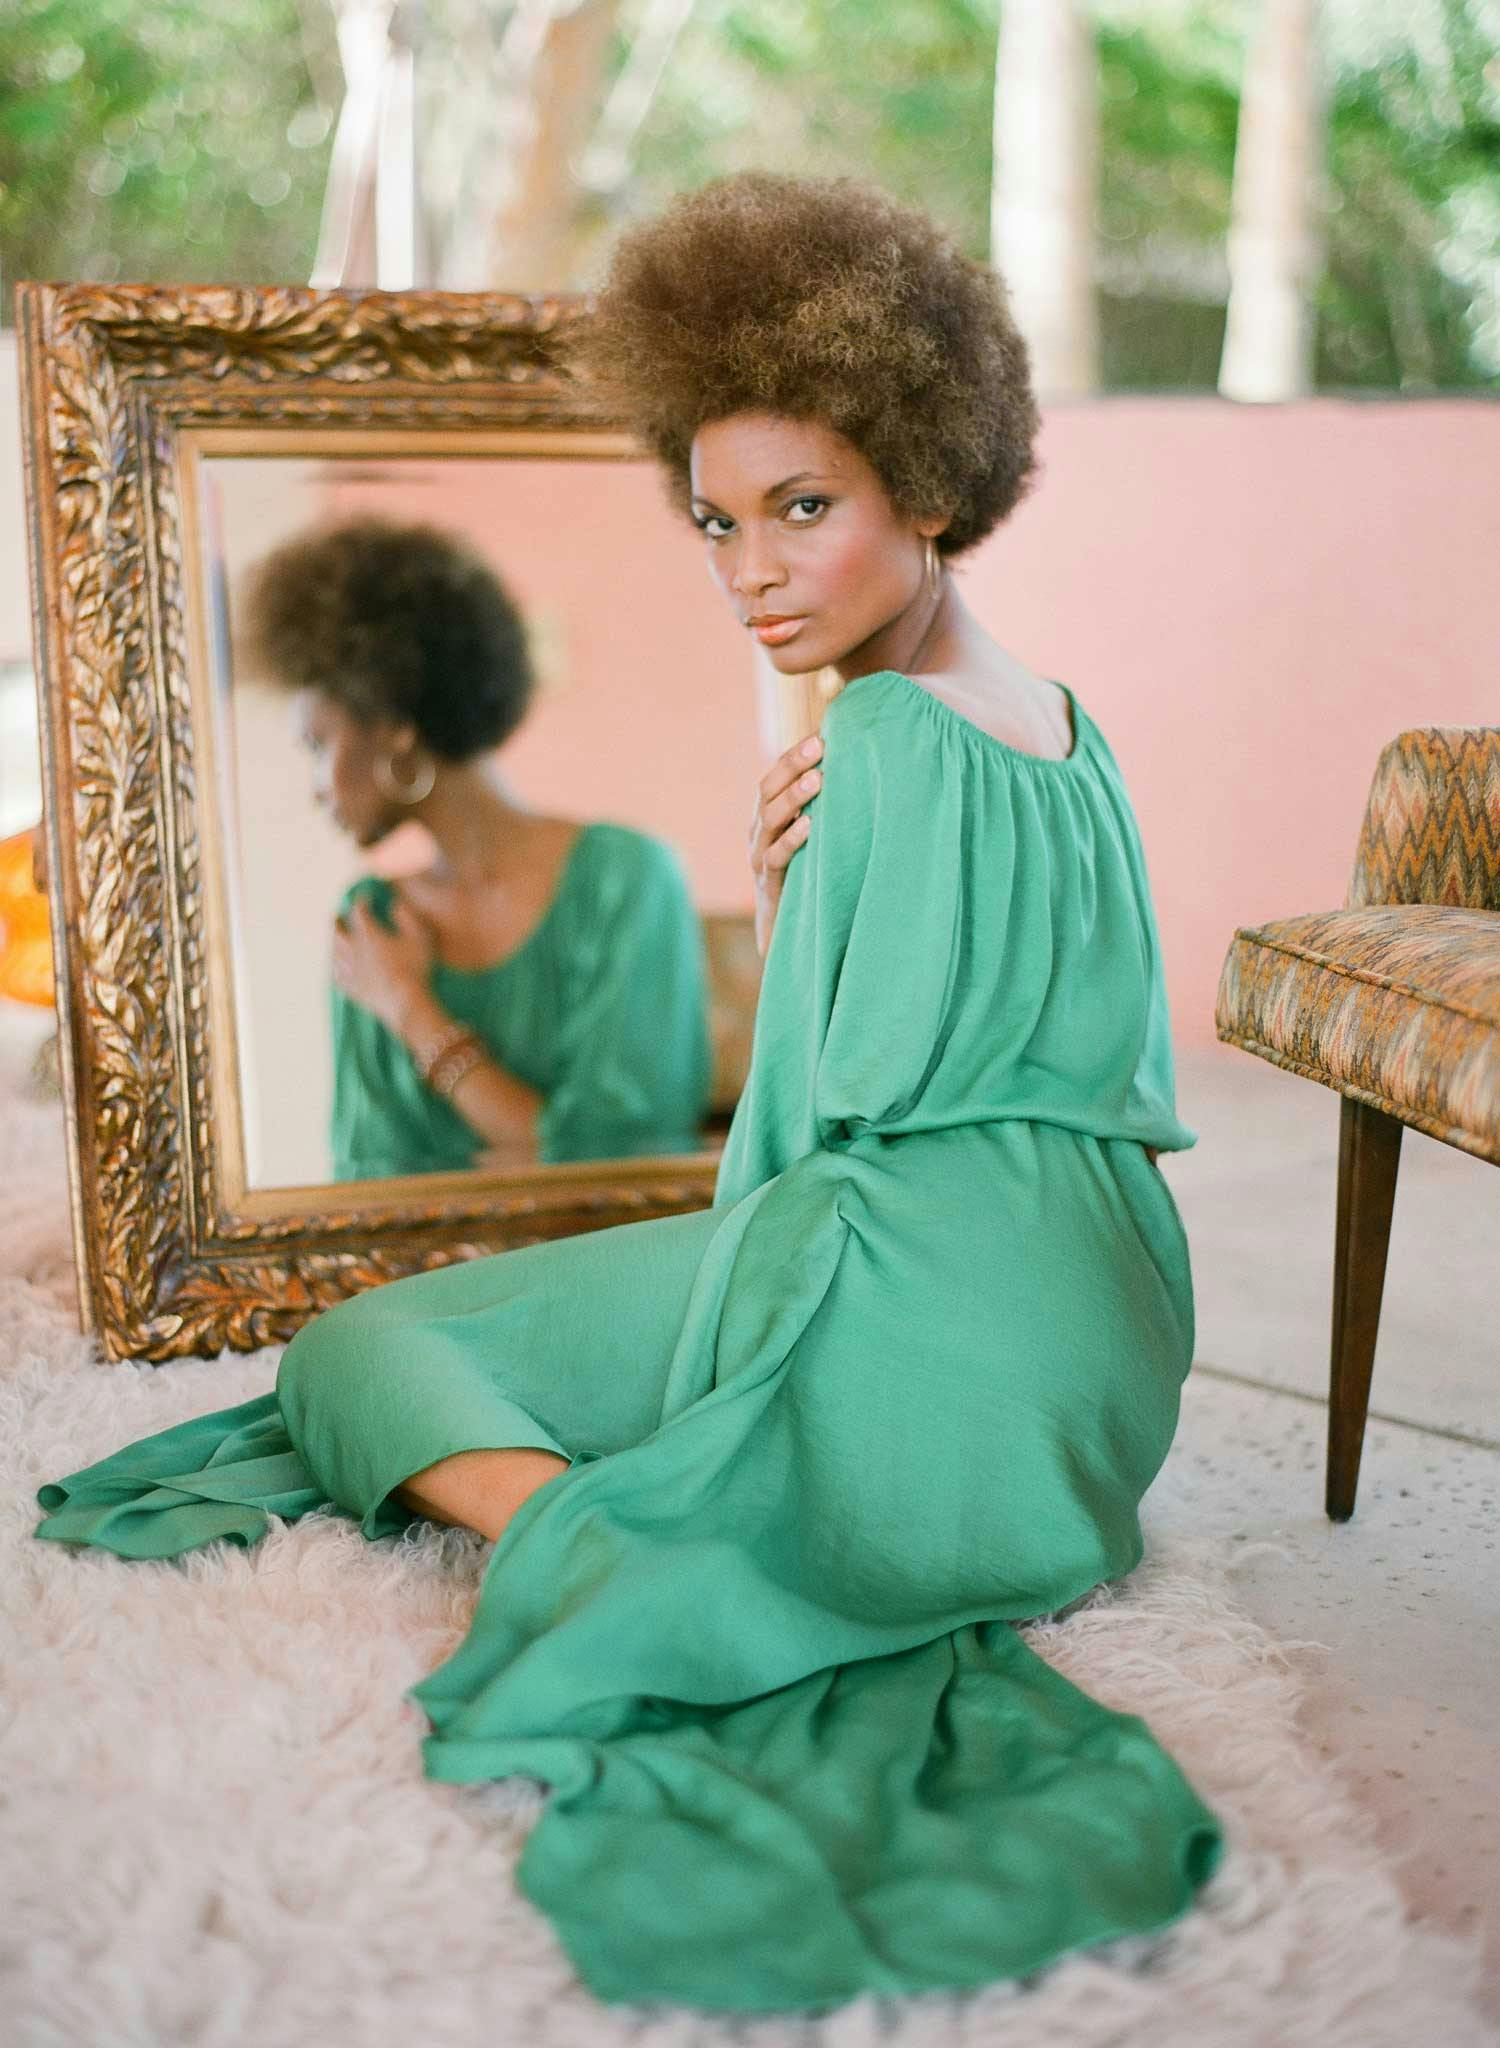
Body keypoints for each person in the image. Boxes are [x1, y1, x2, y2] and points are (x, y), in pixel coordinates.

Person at [36, 174, 1223, 2013]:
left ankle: (622, 1527)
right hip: (1115, 1359)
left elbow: (825, 1129)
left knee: (363, 1352)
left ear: (931, 477)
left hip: (917, 1293)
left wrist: (798, 880)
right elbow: (1114, 1058)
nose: (751, 567)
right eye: (717, 520)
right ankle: (724, 1485)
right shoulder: (1074, 725)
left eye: (803, 509)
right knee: (633, 1329)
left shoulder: (880, 737)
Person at [238, 515, 712, 1175]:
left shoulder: (626, 880)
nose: (316, 787)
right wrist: (528, 1138)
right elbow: (369, 1190)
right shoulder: (371, 918)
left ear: (394, 727)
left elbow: (615, 1166)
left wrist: (412, 1010)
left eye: (319, 745)